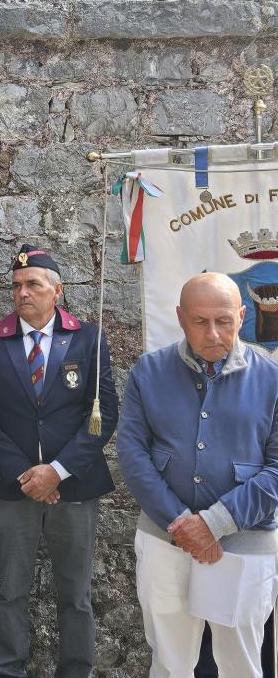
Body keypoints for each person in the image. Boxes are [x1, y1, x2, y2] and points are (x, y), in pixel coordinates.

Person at [0, 244, 118, 678]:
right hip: (12, 486)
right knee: (12, 590)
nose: (22, 293)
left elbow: (103, 414)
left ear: (57, 290)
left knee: (76, 592)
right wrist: (25, 474)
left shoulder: (88, 338)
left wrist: (56, 472)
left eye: (32, 284)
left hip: (75, 485)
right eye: (16, 286)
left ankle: (76, 670)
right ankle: (10, 670)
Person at [117, 272, 278, 678]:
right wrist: (179, 522)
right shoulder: (148, 371)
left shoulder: (272, 377)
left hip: (246, 542)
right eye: (199, 321)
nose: (213, 333)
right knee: (169, 662)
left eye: (224, 320)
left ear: (243, 315)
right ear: (180, 317)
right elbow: (132, 454)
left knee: (241, 664)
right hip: (164, 542)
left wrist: (212, 523)